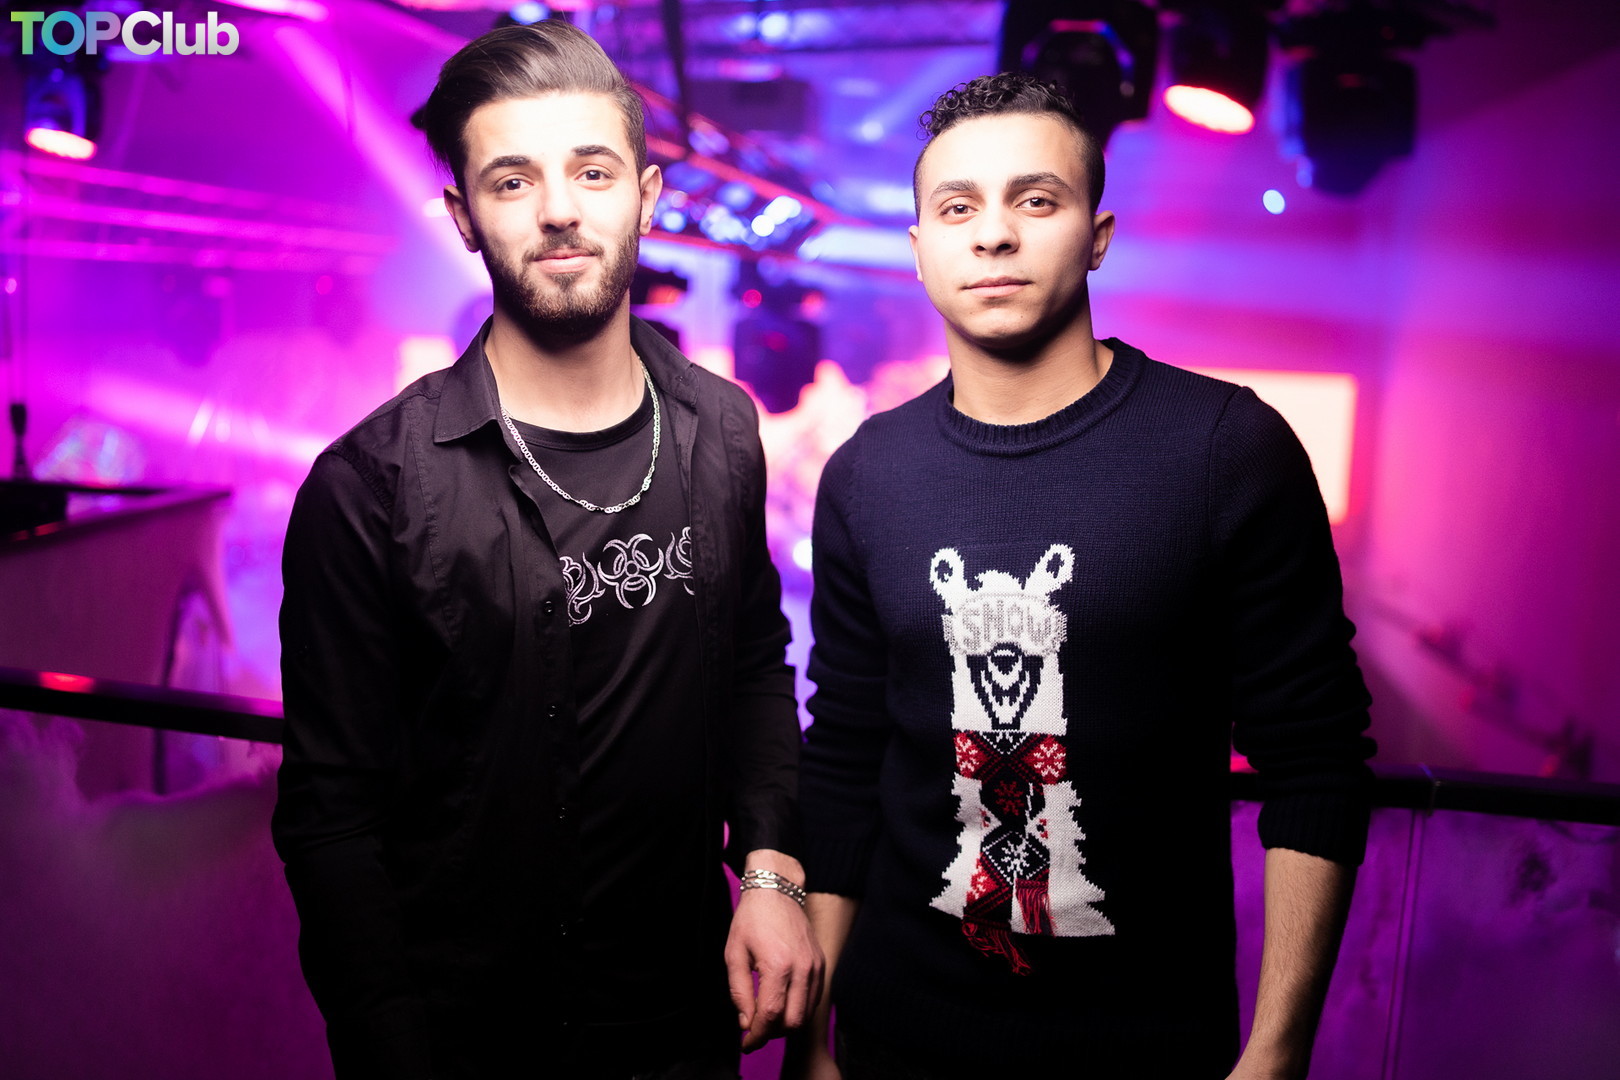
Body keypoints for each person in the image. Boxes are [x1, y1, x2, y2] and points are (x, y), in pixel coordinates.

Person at [787, 73, 1375, 1080]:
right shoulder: (866, 474)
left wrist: (1275, 1056)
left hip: (1147, 1048)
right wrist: (811, 1046)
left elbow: (1315, 760)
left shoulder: (1226, 449)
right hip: (893, 1036)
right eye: (958, 208)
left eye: (1035, 199)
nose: (993, 235)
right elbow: (844, 759)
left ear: (1097, 236)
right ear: (920, 248)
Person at [272, 21, 820, 1080]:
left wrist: (770, 867)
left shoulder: (723, 430)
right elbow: (331, 822)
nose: (560, 209)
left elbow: (755, 665)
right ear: (464, 217)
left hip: (682, 1028)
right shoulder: (368, 487)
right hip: (473, 1042)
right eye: (514, 180)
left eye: (592, 171)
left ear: (647, 198)